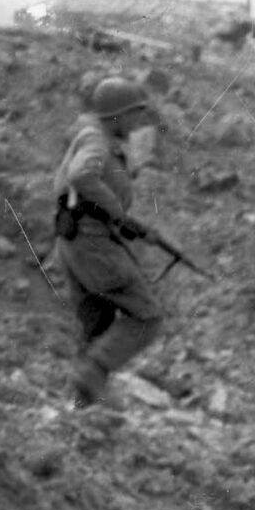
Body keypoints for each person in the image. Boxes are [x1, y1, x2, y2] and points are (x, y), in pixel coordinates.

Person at [52, 76, 168, 408]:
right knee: (147, 318)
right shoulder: (97, 141)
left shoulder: (94, 138)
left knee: (97, 323)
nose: (137, 122)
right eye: (133, 114)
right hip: (92, 244)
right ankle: (91, 374)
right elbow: (81, 176)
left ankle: (81, 405)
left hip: (76, 241)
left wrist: (124, 223)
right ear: (116, 115)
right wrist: (118, 214)